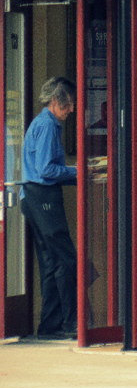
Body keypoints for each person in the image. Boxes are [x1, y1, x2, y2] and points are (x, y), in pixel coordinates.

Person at [21, 77, 78, 340]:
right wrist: (78, 171)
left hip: (34, 197)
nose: (72, 110)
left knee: (51, 262)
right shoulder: (47, 126)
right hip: (42, 196)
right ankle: (70, 323)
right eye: (69, 105)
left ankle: (50, 326)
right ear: (56, 102)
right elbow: (47, 170)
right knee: (66, 260)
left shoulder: (44, 124)